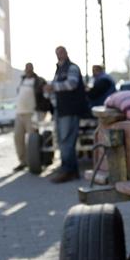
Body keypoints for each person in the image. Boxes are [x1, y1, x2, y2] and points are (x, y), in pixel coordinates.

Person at [43, 46, 89, 183]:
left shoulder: (72, 68)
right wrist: (48, 90)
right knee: (63, 141)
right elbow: (55, 89)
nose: (59, 55)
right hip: (60, 110)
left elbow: (72, 84)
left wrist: (53, 86)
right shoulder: (59, 70)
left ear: (66, 53)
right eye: (57, 53)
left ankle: (67, 171)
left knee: (67, 141)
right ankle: (71, 171)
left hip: (70, 110)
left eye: (61, 52)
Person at [12, 63, 45, 172]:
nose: (28, 70)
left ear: (33, 69)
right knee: (18, 138)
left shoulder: (39, 81)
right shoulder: (22, 80)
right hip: (19, 113)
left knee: (32, 141)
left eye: (30, 68)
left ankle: (33, 162)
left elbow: (43, 96)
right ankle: (23, 162)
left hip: (32, 114)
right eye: (26, 68)